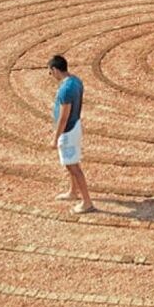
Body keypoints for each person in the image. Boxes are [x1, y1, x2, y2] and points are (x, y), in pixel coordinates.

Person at [49, 54, 94, 213]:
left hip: (67, 132)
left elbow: (63, 117)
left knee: (72, 166)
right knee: (73, 161)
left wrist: (55, 139)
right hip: (75, 126)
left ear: (55, 70)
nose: (51, 75)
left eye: (50, 72)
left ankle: (87, 202)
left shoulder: (65, 90)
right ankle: (73, 191)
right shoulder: (76, 81)